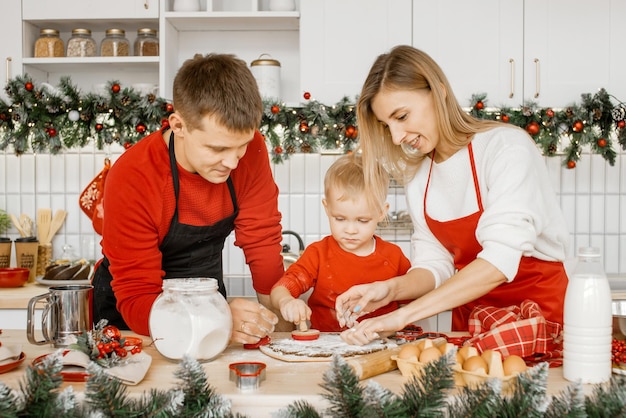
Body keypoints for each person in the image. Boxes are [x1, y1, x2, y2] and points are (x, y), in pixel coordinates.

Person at [335, 45, 570, 346]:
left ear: (438, 92)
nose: (396, 137)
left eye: (402, 116)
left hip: (541, 322)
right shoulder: (420, 176)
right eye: (386, 125)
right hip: (472, 328)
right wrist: (388, 290)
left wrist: (401, 317)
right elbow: (435, 265)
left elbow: (499, 262)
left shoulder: (505, 149)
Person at [92, 53, 287, 345]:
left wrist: (281, 334)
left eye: (241, 146)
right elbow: (136, 296)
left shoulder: (252, 150)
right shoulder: (134, 175)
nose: (233, 162)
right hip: (134, 324)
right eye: (217, 149)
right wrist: (217, 317)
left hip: (210, 305)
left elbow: (262, 242)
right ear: (179, 126)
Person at [270, 154, 411, 332]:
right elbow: (280, 289)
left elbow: (416, 301)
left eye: (362, 220)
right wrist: (287, 301)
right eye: (340, 218)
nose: (350, 230)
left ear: (382, 213)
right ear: (327, 208)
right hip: (326, 348)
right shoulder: (318, 254)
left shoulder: (394, 256)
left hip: (381, 348)